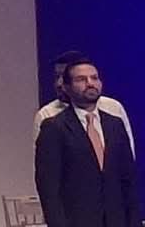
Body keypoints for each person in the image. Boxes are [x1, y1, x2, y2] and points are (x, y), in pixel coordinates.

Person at [35, 59, 140, 227]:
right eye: (81, 79)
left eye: (94, 78)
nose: (90, 83)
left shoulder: (115, 124)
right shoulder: (54, 127)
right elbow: (48, 187)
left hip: (116, 220)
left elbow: (128, 179)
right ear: (66, 87)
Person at [33, 50, 135, 155]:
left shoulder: (113, 108)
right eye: (57, 76)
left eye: (63, 77)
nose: (59, 83)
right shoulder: (47, 115)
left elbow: (127, 155)